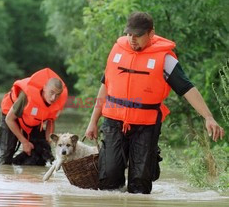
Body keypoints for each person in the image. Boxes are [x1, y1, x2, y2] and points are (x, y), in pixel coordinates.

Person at [85, 12, 225, 194]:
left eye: (138, 35)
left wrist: (208, 117)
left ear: (151, 34)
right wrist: (93, 121)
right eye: (129, 34)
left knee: (140, 182)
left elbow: (187, 88)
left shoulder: (165, 59)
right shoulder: (117, 51)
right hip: (113, 121)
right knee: (109, 177)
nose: (132, 39)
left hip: (146, 126)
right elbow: (105, 86)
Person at [0, 68, 68, 165]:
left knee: (39, 155)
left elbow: (51, 121)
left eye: (57, 95)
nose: (53, 98)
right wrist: (24, 142)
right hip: (11, 118)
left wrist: (50, 141)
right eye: (51, 92)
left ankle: (32, 177)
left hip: (32, 121)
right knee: (6, 157)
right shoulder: (26, 96)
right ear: (44, 88)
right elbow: (9, 119)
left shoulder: (56, 103)